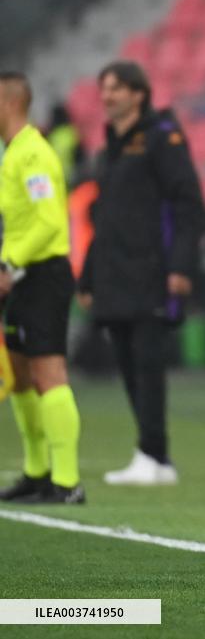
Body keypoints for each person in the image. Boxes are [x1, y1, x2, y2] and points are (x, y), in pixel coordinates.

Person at [77, 61, 204, 485]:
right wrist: (89, 277)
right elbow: (106, 217)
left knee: (149, 364)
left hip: (152, 270)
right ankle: (152, 454)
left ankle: (155, 454)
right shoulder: (109, 146)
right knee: (129, 365)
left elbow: (187, 204)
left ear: (139, 93)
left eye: (115, 88)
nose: (107, 96)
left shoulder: (162, 138)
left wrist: (181, 266)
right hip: (114, 273)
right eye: (104, 89)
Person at [0, 72, 84, 504]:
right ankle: (37, 471)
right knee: (18, 377)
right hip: (20, 277)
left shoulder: (33, 153)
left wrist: (8, 265)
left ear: (9, 102)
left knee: (49, 374)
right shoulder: (13, 152)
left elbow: (50, 222)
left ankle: (67, 482)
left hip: (42, 274)